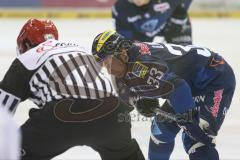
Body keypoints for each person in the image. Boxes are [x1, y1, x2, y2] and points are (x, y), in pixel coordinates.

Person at [0, 19, 145, 160]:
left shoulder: (26, 59)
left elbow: (3, 111)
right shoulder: (79, 49)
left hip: (61, 114)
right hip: (112, 111)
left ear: (25, 43)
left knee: (10, 152)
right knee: (125, 156)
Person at [91, 30, 236, 160]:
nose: (108, 70)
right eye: (104, 64)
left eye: (109, 61)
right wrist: (140, 99)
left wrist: (189, 122)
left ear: (122, 52)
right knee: (160, 130)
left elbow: (179, 88)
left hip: (214, 79)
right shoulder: (130, 60)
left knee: (196, 139)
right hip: (190, 81)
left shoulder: (143, 66)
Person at [112, 0, 192, 44]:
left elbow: (183, 6)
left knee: (184, 58)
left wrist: (179, 17)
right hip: (141, 33)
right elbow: (124, 35)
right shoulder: (121, 7)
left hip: (172, 26)